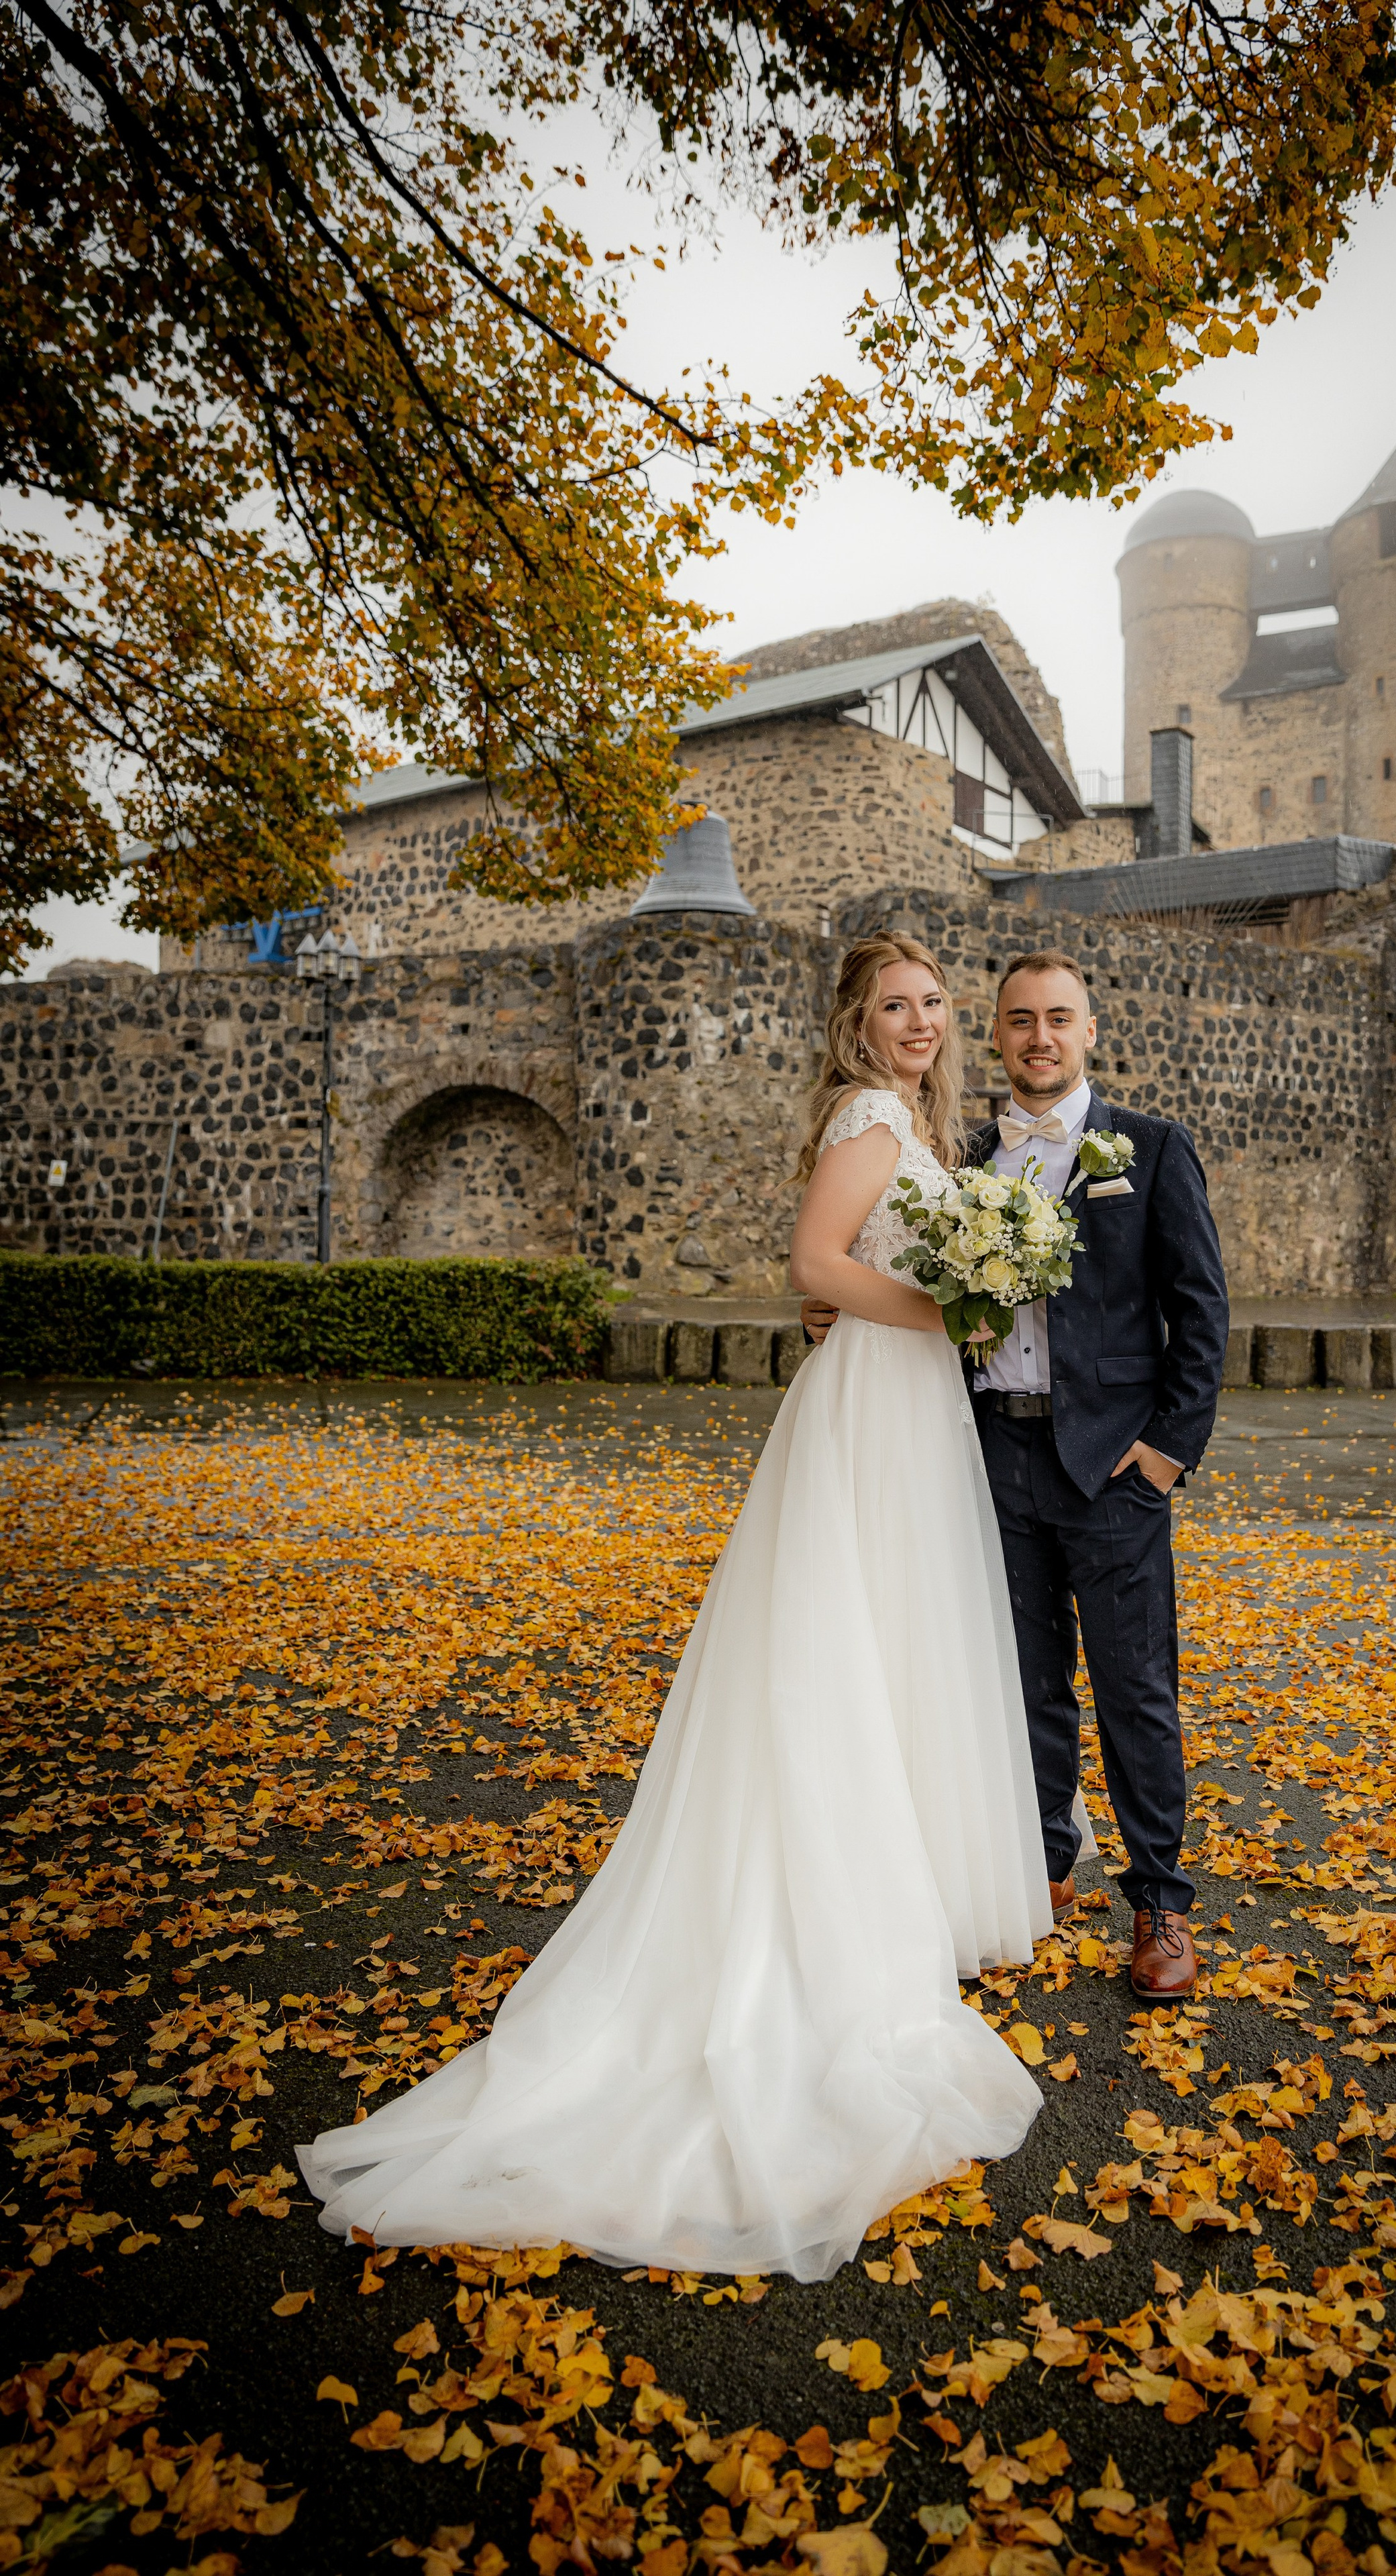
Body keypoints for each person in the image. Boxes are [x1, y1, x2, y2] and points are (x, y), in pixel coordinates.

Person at [297, 935, 1048, 2284]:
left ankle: (892, 1901)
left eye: (936, 1003)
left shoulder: (922, 1130)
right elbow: (817, 1264)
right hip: (874, 1409)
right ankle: (827, 1926)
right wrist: (948, 1314)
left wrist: (949, 1307)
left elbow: (851, 1279)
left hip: (909, 1411)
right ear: (858, 1024)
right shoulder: (869, 1118)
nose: (922, 1022)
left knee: (893, 1655)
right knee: (843, 1655)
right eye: (897, 1006)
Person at [803, 949, 1228, 2003]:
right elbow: (881, 1258)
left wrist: (1165, 1452)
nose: (1041, 1038)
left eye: (1059, 1019)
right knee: (1022, 1683)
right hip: (989, 1453)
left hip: (1113, 1464)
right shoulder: (961, 1155)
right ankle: (1038, 1866)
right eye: (1021, 1020)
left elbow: (1201, 1312)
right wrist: (829, 1310)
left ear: (1089, 1030)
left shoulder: (1151, 1150)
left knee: (1135, 1687)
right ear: (995, 1034)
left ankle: (1160, 1902)